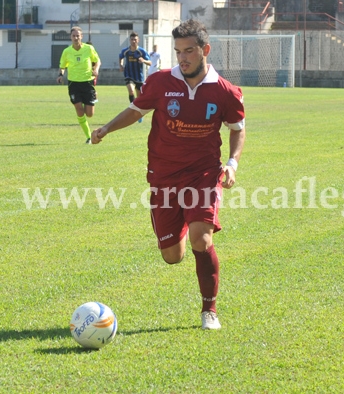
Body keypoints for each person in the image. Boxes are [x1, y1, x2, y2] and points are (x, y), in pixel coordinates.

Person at [91, 19, 246, 330]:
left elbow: (237, 129)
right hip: (163, 176)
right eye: (178, 52)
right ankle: (185, 225)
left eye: (189, 51)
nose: (183, 57)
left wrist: (231, 162)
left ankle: (209, 311)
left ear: (205, 50)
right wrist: (106, 128)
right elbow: (136, 110)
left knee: (201, 241)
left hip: (202, 174)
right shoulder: (161, 82)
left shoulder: (225, 91)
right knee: (172, 256)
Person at [57, 26, 101, 144]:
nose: (76, 38)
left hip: (87, 82)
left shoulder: (89, 49)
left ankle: (92, 97)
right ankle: (88, 137)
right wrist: (60, 75)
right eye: (73, 36)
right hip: (73, 83)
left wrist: (96, 69)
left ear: (82, 37)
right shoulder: (66, 52)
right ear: (70, 37)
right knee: (78, 109)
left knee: (90, 114)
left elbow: (97, 61)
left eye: (78, 36)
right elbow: (62, 66)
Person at [119, 32, 151, 123]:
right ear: (130, 40)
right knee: (131, 90)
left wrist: (143, 60)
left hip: (139, 77)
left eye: (135, 40)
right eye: (132, 39)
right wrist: (121, 65)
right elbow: (120, 57)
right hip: (129, 75)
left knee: (139, 97)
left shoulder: (141, 51)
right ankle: (132, 110)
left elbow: (150, 62)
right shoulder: (126, 51)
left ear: (138, 40)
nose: (133, 41)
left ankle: (139, 113)